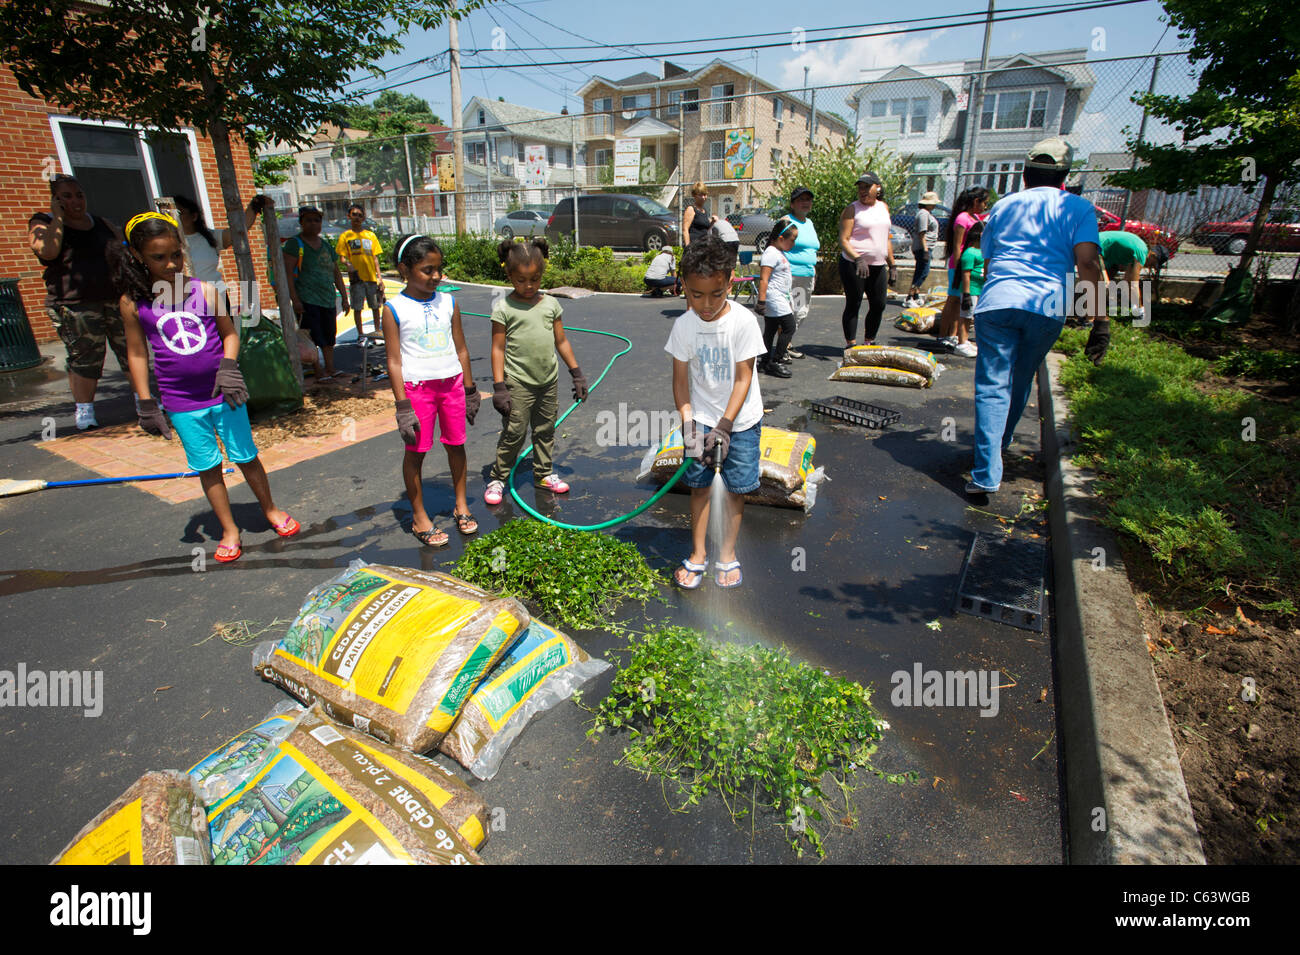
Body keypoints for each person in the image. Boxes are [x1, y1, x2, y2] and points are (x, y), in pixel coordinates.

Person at [113, 211, 299, 563]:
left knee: (246, 456)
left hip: (223, 392)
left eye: (176, 255)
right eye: (158, 257)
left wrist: (228, 368)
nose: (171, 264)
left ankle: (271, 509)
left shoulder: (205, 291)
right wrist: (146, 402)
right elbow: (137, 354)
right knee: (207, 466)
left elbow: (229, 334)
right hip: (181, 402)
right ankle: (229, 529)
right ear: (138, 256)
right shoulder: (133, 303)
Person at [967, 137, 1104, 495]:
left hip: (999, 300)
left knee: (992, 385)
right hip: (1048, 305)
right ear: (1065, 176)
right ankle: (1002, 442)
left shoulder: (1005, 205)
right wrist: (1097, 314)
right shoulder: (1079, 208)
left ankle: (985, 474)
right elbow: (1088, 261)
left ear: (1025, 174)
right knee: (1021, 378)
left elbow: (989, 254)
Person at [666, 236, 765, 590]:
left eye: (716, 293)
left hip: (741, 420)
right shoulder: (684, 327)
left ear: (730, 281)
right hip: (702, 417)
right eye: (695, 294)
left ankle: (726, 553)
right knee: (700, 488)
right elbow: (680, 384)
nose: (705, 304)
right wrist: (689, 424)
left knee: (736, 489)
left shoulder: (743, 322)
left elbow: (743, 378)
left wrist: (725, 426)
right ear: (684, 287)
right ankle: (697, 554)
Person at [383, 234, 480, 547]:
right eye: (427, 270)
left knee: (456, 444)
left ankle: (461, 505)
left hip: (451, 384)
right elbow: (394, 361)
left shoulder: (449, 302)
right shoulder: (394, 309)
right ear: (405, 269)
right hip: (417, 390)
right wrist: (402, 406)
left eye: (439, 269)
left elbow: (461, 349)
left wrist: (469, 388)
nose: (436, 276)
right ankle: (419, 516)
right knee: (417, 451)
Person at [484, 238, 588, 505]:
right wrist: (499, 387)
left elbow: (561, 341)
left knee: (545, 429)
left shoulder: (551, 305)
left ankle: (543, 473)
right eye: (521, 280)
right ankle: (498, 477)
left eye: (534, 279)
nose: (528, 286)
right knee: (514, 432)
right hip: (518, 382)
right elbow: (497, 349)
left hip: (547, 380)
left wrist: (576, 373)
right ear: (509, 275)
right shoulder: (504, 308)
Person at [27, 174, 125, 430]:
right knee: (85, 357)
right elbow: (48, 251)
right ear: (55, 199)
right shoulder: (43, 224)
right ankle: (85, 411)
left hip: (114, 298)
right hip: (75, 304)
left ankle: (143, 401)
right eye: (66, 196)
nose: (75, 201)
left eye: (79, 194)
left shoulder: (101, 223)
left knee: (129, 349)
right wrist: (57, 218)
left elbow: (123, 252)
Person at [284, 206, 348, 381]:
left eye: (317, 220)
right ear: (302, 222)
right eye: (309, 220)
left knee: (329, 335)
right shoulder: (294, 244)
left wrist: (344, 296)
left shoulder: (326, 245)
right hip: (307, 299)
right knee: (311, 337)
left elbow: (336, 272)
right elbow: (288, 273)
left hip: (327, 298)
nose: (314, 224)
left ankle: (330, 368)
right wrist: (295, 299)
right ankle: (317, 370)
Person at [838, 172, 897, 353]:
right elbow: (844, 239)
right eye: (860, 187)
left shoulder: (883, 207)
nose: (862, 191)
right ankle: (851, 344)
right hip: (853, 263)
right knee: (854, 303)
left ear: (877, 188)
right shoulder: (852, 209)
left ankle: (869, 341)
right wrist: (858, 258)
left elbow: (885, 238)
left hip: (878, 265)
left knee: (879, 304)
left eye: (867, 187)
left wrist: (892, 264)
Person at [173, 193, 267, 288]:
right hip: (187, 299)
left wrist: (254, 206)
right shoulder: (169, 243)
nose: (175, 217)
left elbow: (239, 231)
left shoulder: (210, 236)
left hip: (216, 296)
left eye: (179, 213)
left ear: (194, 216)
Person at [937, 186, 989, 356]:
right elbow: (957, 245)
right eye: (984, 203)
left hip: (967, 264)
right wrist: (959, 268)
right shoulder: (962, 218)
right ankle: (943, 335)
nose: (985, 207)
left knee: (959, 301)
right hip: (958, 265)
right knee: (953, 300)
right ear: (976, 201)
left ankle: (953, 335)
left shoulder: (974, 217)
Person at [756, 216, 798, 378]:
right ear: (781, 238)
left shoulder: (777, 252)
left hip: (779, 297)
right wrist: (761, 301)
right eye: (792, 240)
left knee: (771, 329)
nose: (793, 244)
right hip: (774, 298)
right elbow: (764, 278)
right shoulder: (771, 253)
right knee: (789, 327)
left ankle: (765, 361)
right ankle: (777, 361)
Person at [336, 203, 384, 340]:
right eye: (354, 215)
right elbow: (342, 258)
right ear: (349, 216)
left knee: (375, 306)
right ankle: (360, 334)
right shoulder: (346, 236)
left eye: (360, 215)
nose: (357, 218)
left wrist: (379, 278)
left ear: (364, 218)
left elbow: (375, 258)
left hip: (371, 278)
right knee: (357, 307)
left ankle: (376, 332)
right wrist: (348, 264)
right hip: (356, 279)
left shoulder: (370, 236)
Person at [784, 185, 819, 359]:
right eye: (801, 200)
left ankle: (786, 342)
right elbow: (775, 246)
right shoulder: (786, 222)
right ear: (793, 204)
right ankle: (785, 346)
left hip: (807, 276)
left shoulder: (810, 223)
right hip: (791, 275)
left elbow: (812, 250)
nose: (805, 203)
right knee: (789, 311)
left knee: (800, 312)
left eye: (808, 199)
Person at [1098, 229, 1153, 320]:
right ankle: (1089, 319)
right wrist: (1141, 310)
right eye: (1153, 264)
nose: (1151, 267)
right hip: (1095, 247)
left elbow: (1127, 281)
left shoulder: (1136, 249)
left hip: (1100, 248)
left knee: (1098, 284)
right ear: (1152, 255)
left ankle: (1089, 313)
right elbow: (1133, 285)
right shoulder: (1142, 252)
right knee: (1102, 283)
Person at [906, 191, 941, 308]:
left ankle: (916, 295)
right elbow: (922, 232)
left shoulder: (926, 213)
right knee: (923, 272)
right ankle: (909, 296)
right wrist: (925, 249)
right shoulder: (923, 214)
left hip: (925, 247)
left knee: (920, 270)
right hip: (922, 247)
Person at [957, 220, 985, 326]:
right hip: (972, 290)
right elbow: (966, 274)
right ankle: (962, 341)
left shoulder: (985, 251)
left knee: (977, 317)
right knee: (966, 317)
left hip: (981, 289)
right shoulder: (970, 252)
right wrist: (966, 294)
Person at [682, 183, 713, 248]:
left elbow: (706, 229)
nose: (703, 197)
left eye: (705, 195)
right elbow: (685, 229)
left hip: (704, 246)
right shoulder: (691, 209)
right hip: (694, 247)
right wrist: (688, 248)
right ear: (694, 195)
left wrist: (713, 222)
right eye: (700, 195)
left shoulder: (704, 210)